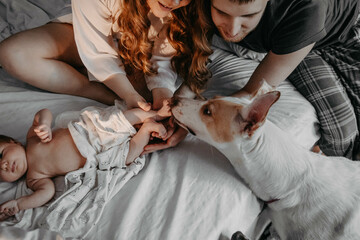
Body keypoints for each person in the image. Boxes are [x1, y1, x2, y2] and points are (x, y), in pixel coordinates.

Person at [189, 0, 360, 159]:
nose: (232, 31)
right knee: (341, 133)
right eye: (221, 12)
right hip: (300, 40)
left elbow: (252, 92)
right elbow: (250, 92)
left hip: (340, 34)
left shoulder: (305, 9)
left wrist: (192, 119)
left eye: (249, 16)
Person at [0, 101, 171, 220]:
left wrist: (43, 124)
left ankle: (155, 114)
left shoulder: (32, 138)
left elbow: (42, 113)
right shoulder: (33, 178)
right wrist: (19, 204)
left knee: (117, 119)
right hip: (97, 155)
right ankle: (147, 129)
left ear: (12, 142)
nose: (3, 164)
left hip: (90, 132)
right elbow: (46, 193)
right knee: (126, 157)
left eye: (1, 155)